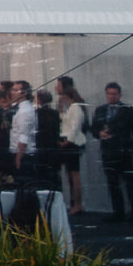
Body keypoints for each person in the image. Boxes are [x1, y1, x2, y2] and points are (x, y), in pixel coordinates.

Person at [91, 82, 133, 221]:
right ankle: (118, 212)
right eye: (109, 94)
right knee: (112, 183)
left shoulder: (128, 109)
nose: (111, 97)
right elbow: (93, 128)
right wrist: (100, 133)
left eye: (114, 94)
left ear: (119, 94)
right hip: (108, 151)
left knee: (129, 183)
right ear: (106, 94)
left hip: (124, 151)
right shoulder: (100, 110)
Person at [56, 82, 88, 211]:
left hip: (73, 144)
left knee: (75, 175)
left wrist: (67, 141)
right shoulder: (70, 108)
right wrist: (60, 112)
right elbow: (67, 123)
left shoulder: (76, 107)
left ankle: (78, 204)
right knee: (70, 174)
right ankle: (74, 202)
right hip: (68, 143)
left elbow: (75, 127)